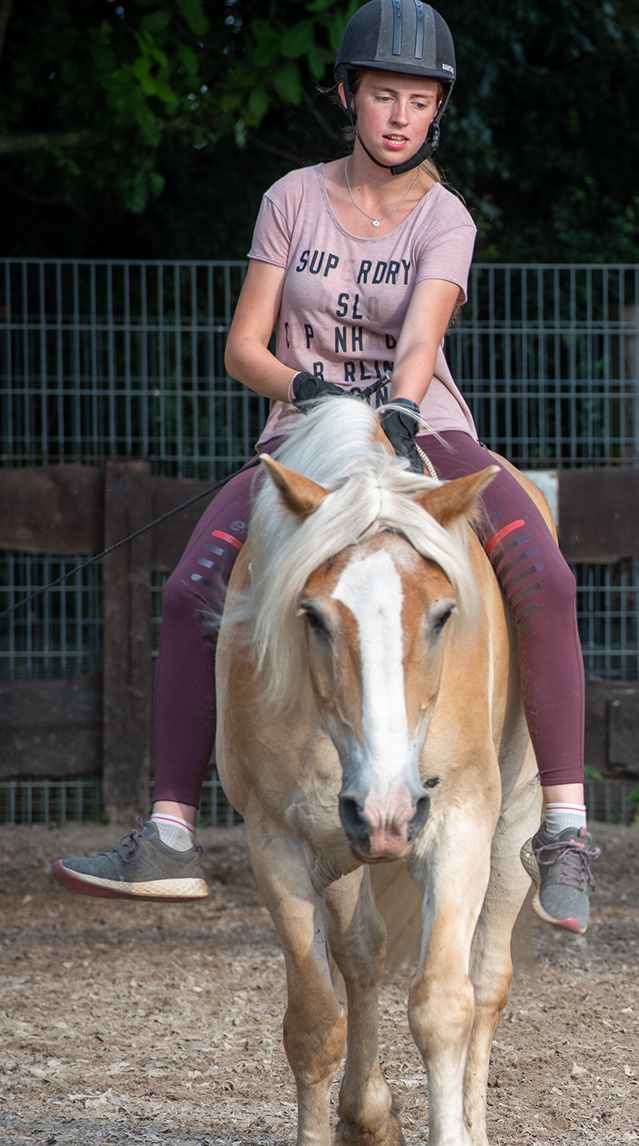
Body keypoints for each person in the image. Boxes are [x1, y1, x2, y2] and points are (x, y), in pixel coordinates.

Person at [51, 0, 600, 934]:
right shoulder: (292, 199)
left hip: (422, 432)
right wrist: (305, 390)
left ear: (438, 110)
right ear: (347, 96)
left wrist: (398, 403)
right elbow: (243, 347)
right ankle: (170, 833)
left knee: (546, 577)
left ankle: (563, 829)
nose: (400, 116)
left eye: (419, 100)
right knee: (188, 592)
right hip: (301, 439)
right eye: (384, 95)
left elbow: (420, 337)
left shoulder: (446, 218)